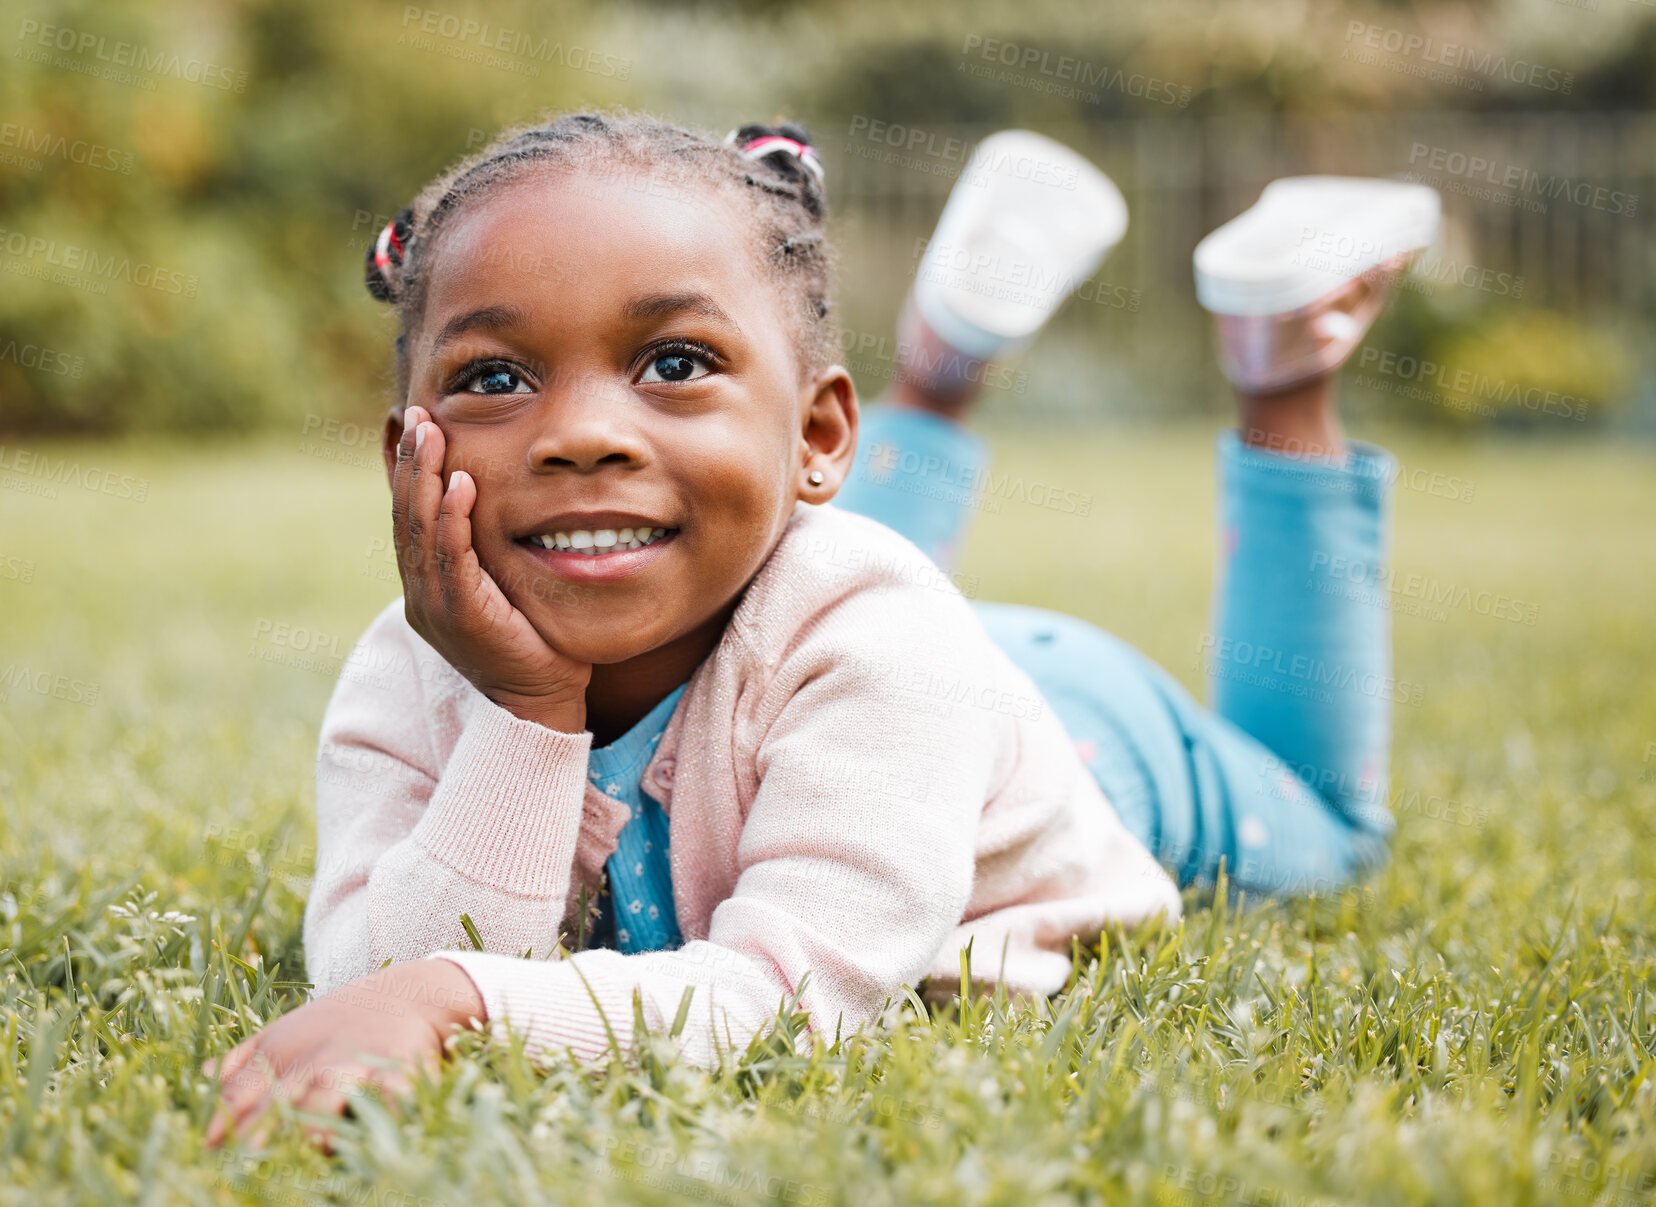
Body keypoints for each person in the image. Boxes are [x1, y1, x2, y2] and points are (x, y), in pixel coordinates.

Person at [205, 111, 1437, 1146]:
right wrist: (524, 710)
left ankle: (1281, 366)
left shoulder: (880, 635)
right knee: (738, 531)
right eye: (493, 378)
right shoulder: (407, 663)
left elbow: (795, 1001)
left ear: (821, 433)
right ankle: (943, 366)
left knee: (1333, 824)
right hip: (834, 656)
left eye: (674, 360)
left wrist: (466, 1001)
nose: (580, 433)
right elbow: (374, 980)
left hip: (1077, 737)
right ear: (402, 453)